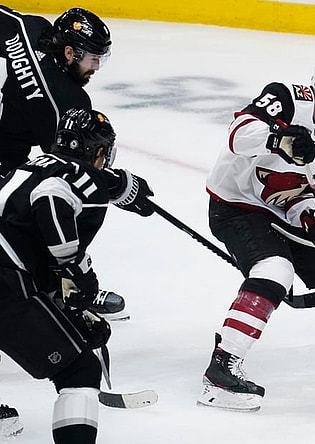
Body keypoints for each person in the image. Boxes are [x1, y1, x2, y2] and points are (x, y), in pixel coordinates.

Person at [199, 50, 315, 411]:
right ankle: (221, 368)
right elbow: (238, 135)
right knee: (275, 270)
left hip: (281, 212)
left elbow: (310, 194)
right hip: (235, 205)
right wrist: (279, 139)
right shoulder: (285, 98)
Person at [0, 6, 155, 320]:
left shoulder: (30, 29)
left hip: (6, 154)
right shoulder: (67, 100)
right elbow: (70, 170)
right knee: (55, 205)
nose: (96, 67)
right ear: (70, 53)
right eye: (93, 58)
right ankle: (68, 289)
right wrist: (119, 186)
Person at [0, 108, 119, 444]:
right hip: (5, 281)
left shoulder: (24, 166)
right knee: (80, 370)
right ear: (98, 152)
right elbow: (50, 198)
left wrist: (67, 311)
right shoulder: (78, 176)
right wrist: (79, 274)